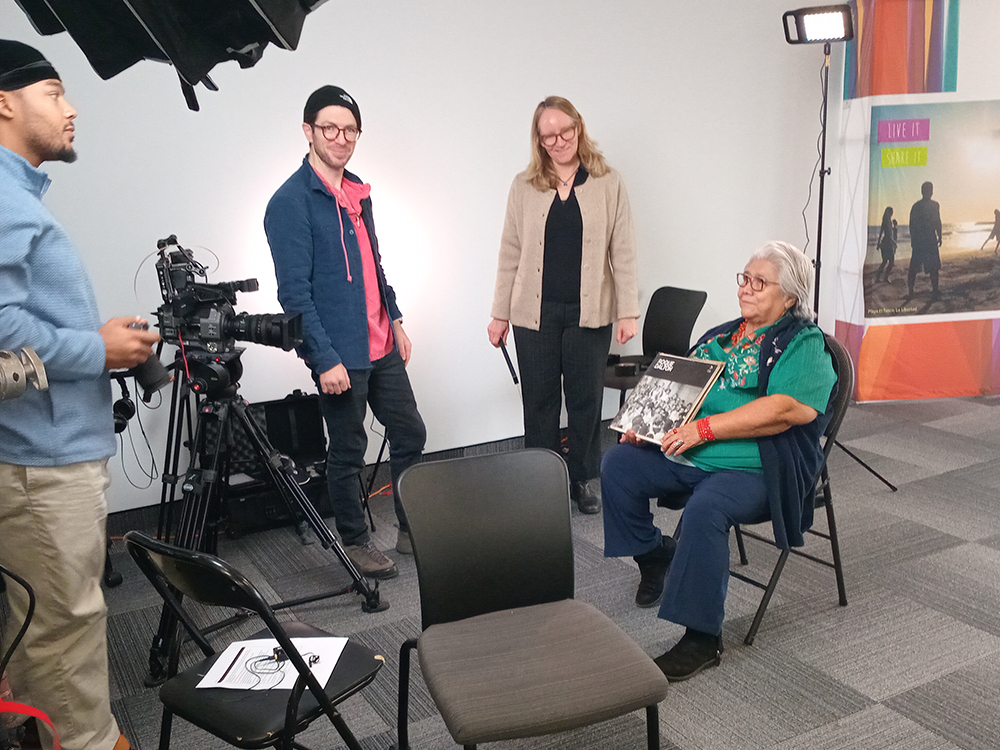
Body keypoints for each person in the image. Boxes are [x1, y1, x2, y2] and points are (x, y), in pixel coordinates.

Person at [0, 39, 159, 750]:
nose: (72, 109)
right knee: (66, 633)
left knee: (41, 630)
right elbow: (1, 330)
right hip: (43, 463)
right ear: (6, 102)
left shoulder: (20, 193)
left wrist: (94, 337)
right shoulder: (2, 193)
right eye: (55, 93)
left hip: (49, 453)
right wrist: (97, 350)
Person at [601, 241, 837, 682]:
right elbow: (681, 391)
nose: (745, 289)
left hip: (758, 469)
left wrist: (703, 430)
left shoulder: (803, 344)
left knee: (705, 509)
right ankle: (654, 556)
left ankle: (702, 639)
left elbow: (787, 409)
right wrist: (647, 426)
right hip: (690, 453)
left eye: (759, 282)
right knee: (618, 464)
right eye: (744, 278)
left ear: (789, 296)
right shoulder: (722, 336)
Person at [264, 86, 426, 578]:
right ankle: (355, 542)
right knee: (348, 450)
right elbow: (294, 295)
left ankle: (409, 527)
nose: (341, 137)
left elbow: (373, 265)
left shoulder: (357, 190)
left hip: (380, 343)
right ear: (309, 132)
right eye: (330, 128)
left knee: (410, 433)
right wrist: (323, 359)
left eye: (350, 129)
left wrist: (394, 318)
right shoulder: (290, 203)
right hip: (340, 352)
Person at [488, 96, 639, 514]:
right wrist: (499, 313)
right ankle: (540, 480)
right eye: (548, 135)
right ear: (538, 140)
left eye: (565, 131)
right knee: (539, 400)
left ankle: (583, 479)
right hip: (532, 314)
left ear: (579, 127)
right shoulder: (525, 185)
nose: (559, 141)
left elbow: (622, 250)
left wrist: (627, 311)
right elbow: (510, 253)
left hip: (588, 313)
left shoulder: (608, 181)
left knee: (585, 399)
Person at [907, 181, 943, 298]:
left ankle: (933, 290)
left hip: (923, 240)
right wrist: (939, 235)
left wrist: (940, 235)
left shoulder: (919, 206)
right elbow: (937, 222)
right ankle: (915, 291)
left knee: (931, 267)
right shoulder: (922, 206)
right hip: (924, 240)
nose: (930, 192)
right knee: (920, 267)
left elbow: (937, 221)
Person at [874, 206, 896, 283]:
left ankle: (880, 278)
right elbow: (887, 234)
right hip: (887, 243)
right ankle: (884, 278)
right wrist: (893, 242)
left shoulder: (887, 222)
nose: (892, 213)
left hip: (885, 243)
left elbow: (881, 234)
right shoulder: (887, 222)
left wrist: (878, 243)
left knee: (885, 261)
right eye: (891, 212)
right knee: (889, 261)